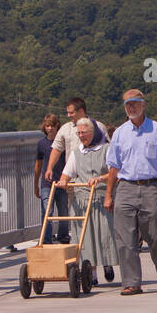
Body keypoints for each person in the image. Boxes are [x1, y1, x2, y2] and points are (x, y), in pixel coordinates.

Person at [104, 89, 157, 296]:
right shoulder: (119, 133)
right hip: (125, 187)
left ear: (143, 105)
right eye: (127, 104)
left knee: (156, 235)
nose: (131, 107)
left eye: (135, 103)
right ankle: (131, 282)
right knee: (125, 238)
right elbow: (113, 167)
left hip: (151, 187)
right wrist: (109, 195)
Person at [56, 117, 116, 284]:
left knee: (105, 233)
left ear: (93, 132)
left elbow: (114, 172)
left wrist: (100, 178)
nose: (81, 136)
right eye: (79, 133)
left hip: (101, 197)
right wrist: (63, 180)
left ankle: (107, 262)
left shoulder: (106, 149)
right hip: (82, 199)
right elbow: (68, 171)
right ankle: (91, 273)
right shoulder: (77, 152)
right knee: (85, 237)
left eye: (84, 133)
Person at [33, 114, 69, 244]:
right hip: (46, 183)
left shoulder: (63, 142)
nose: (50, 129)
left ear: (57, 126)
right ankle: (46, 238)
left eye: (52, 126)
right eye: (47, 126)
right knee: (47, 210)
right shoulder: (42, 144)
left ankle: (63, 236)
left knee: (63, 209)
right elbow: (38, 164)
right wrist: (36, 183)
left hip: (62, 181)